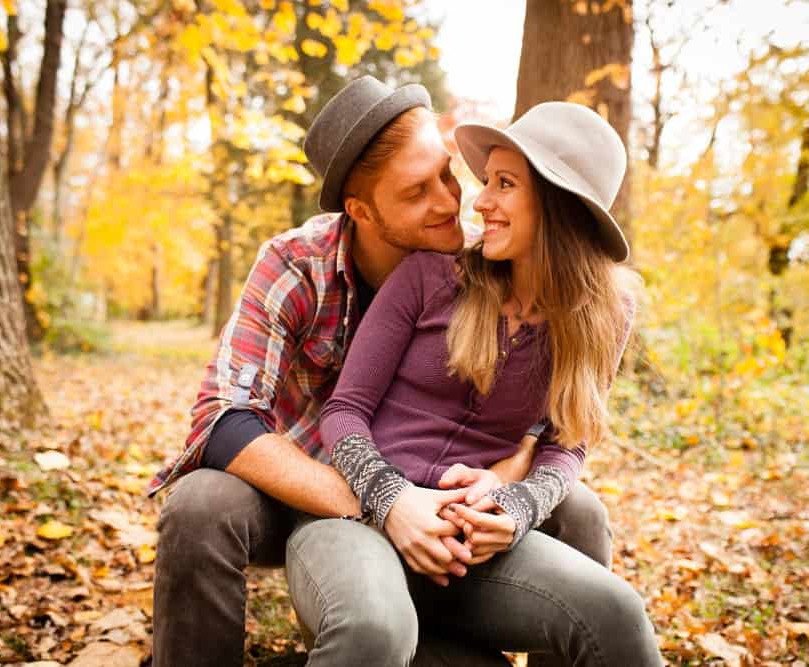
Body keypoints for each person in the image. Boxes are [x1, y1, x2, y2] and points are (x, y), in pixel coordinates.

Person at [149, 78, 616, 667]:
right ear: (362, 210)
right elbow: (221, 419)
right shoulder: (296, 265)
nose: (452, 203)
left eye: (447, 175)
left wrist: (510, 472)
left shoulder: (484, 259)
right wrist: (383, 501)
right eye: (417, 192)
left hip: (435, 494)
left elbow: (548, 415)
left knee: (581, 511)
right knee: (199, 506)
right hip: (305, 486)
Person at [285, 102, 664, 666]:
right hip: (356, 520)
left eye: (504, 184)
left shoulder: (605, 313)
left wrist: (516, 509)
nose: (480, 200)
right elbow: (344, 411)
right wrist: (392, 499)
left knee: (616, 613)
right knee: (373, 629)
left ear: (561, 206)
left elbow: (568, 443)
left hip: (470, 551)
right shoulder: (431, 276)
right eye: (487, 181)